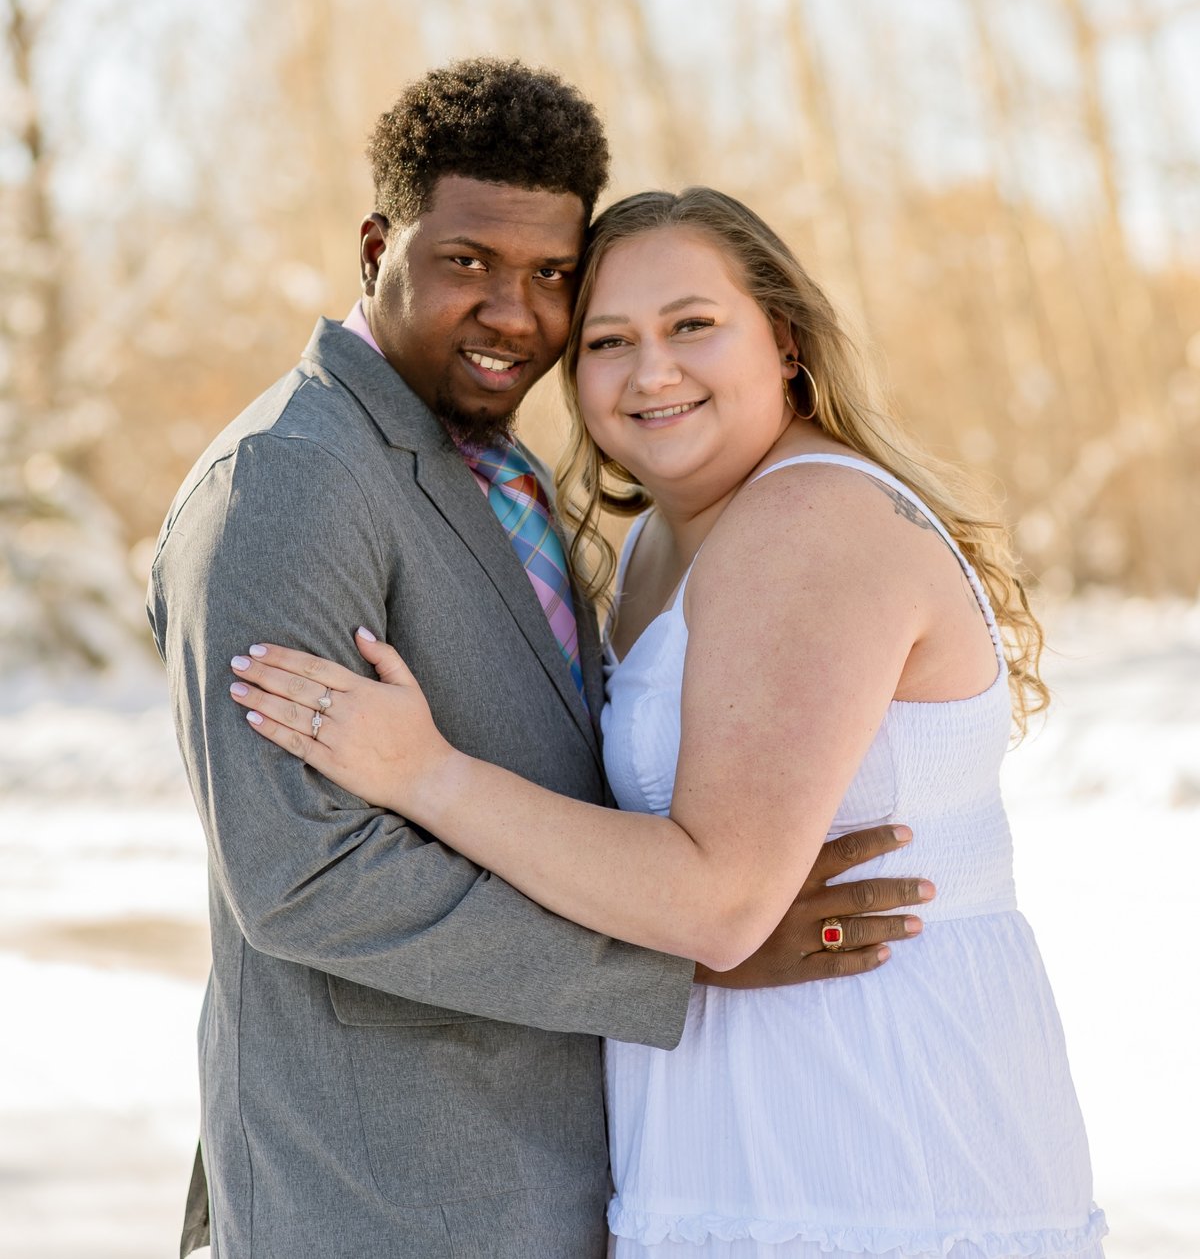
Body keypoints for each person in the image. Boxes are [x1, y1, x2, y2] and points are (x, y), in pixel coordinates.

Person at [148, 61, 933, 1259]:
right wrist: (681, 963)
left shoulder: (506, 469)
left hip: (561, 1169)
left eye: (552, 276)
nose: (514, 313)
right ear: (378, 248)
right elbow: (306, 880)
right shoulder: (288, 483)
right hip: (386, 1189)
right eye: (468, 262)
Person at [231, 185, 1106, 1258]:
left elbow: (722, 901)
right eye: (609, 342)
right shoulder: (657, 542)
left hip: (871, 1118)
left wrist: (426, 775)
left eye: (693, 325)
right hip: (717, 1115)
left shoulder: (812, 517)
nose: (652, 373)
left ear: (785, 338)